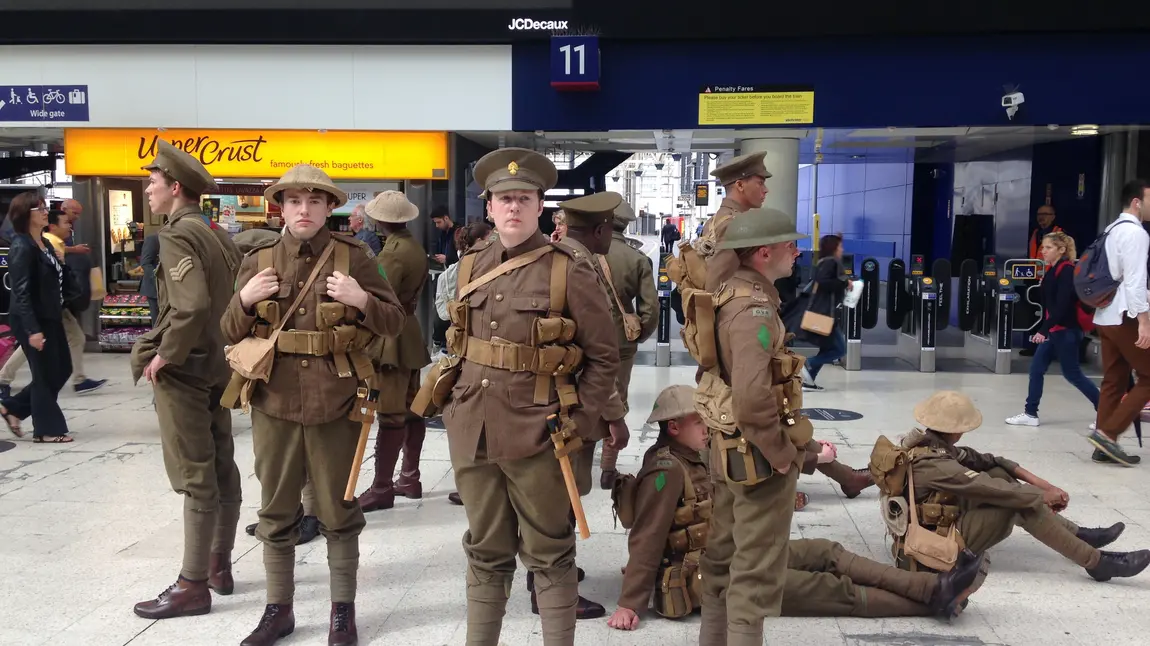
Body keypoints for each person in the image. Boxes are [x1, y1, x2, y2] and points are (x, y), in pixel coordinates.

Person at [608, 385, 984, 632]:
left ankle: (934, 586)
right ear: (673, 427)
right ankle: (932, 603)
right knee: (831, 589)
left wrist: (808, 457)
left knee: (825, 552)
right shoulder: (665, 471)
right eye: (698, 421)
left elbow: (750, 465)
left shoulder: (700, 453)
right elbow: (648, 537)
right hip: (707, 577)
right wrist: (630, 604)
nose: (707, 426)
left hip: (736, 553)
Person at [442, 148, 619, 645]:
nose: (513, 207)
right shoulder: (471, 266)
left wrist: (580, 425)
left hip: (541, 434)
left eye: (523, 198)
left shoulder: (569, 269)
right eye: (504, 199)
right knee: (484, 547)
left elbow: (605, 356)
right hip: (473, 432)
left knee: (549, 550)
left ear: (540, 205)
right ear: (490, 208)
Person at [222, 165, 405, 646]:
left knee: (339, 510)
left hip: (336, 401)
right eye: (294, 201)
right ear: (281, 207)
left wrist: (361, 298)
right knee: (276, 510)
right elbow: (225, 331)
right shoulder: (257, 257)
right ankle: (277, 609)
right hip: (274, 401)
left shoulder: (355, 257)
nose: (304, 210)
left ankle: (341, 611)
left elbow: (394, 322)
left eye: (314, 201)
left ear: (329, 208)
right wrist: (243, 300)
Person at [128, 141, 244, 620]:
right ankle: (219, 564)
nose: (148, 189)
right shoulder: (216, 233)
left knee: (195, 476)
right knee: (222, 466)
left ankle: (192, 584)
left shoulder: (177, 234)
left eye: (153, 182)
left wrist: (165, 356)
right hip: (220, 366)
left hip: (188, 370)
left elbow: (191, 304)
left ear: (175, 188)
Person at [696, 207, 808, 646]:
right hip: (756, 457)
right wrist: (782, 456)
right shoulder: (755, 310)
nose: (796, 252)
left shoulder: (731, 293)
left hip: (731, 448)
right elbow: (753, 397)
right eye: (789, 245)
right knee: (755, 571)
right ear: (764, 253)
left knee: (722, 556)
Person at [894, 390, 1150, 582]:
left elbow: (994, 462)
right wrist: (1041, 495)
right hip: (933, 543)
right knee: (1015, 503)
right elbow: (994, 490)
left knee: (997, 472)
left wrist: (1045, 485)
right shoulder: (935, 463)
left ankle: (1077, 534)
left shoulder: (934, 443)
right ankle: (1096, 562)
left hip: (941, 519)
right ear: (956, 430)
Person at [551, 193, 634, 620]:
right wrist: (613, 416)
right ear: (601, 230)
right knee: (563, 495)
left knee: (551, 492)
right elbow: (602, 351)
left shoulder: (551, 254)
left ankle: (550, 572)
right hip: (572, 402)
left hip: (541, 400)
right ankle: (549, 582)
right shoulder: (582, 266)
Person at [232, 226, 322, 547]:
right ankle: (281, 512)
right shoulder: (253, 276)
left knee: (305, 453)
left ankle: (311, 514)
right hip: (271, 373)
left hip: (308, 372)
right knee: (273, 456)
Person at [356, 191, 432, 511]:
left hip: (391, 337)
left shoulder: (393, 253)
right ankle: (409, 477)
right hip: (410, 332)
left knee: (389, 412)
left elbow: (377, 294)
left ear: (379, 220)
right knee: (412, 407)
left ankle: (382, 487)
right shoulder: (413, 246)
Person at [0, 210, 107, 399]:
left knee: (72, 339)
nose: (70, 226)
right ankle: (6, 384)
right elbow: (29, 286)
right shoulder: (40, 243)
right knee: (37, 344)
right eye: (66, 222)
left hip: (56, 305)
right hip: (48, 307)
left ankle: (78, 379)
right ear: (53, 226)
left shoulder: (46, 241)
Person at [0, 193, 77, 443]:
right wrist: (33, 330)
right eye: (39, 208)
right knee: (44, 373)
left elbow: (57, 279)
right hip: (31, 319)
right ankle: (47, 429)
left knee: (63, 368)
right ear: (26, 214)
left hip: (51, 315)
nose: (46, 212)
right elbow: (21, 292)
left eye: (45, 207)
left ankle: (13, 408)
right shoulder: (21, 246)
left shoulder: (43, 242)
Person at [1005, 231, 1099, 428]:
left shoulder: (1065, 271)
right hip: (1056, 330)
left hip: (1066, 331)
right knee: (1036, 369)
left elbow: (1062, 305)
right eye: (1043, 247)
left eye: (1048, 247)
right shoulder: (1052, 270)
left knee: (1072, 374)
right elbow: (1050, 306)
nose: (1043, 251)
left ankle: (1105, 411)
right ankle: (1031, 413)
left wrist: (1043, 330)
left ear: (1061, 250)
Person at [598, 199, 659, 489]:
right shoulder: (636, 259)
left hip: (577, 340)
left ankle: (576, 461)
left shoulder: (579, 254)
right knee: (616, 399)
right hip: (619, 341)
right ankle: (608, 469)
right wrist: (638, 334)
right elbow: (650, 309)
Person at [1089, 179, 1150, 466]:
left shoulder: (1111, 229)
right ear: (1137, 201)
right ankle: (1109, 434)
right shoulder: (1137, 234)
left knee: (1113, 380)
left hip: (1105, 313)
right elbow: (1136, 281)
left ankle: (1103, 446)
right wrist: (1144, 321)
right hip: (1125, 315)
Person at [433, 221, 492, 507]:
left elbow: (442, 313)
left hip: (457, 351)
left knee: (463, 420)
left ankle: (465, 481)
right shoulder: (488, 269)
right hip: (482, 352)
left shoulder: (448, 274)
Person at [701, 152, 771, 292]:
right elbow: (715, 285)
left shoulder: (715, 220)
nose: (766, 190)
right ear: (739, 185)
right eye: (760, 183)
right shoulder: (736, 225)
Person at [801, 234, 850, 392]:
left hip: (822, 312)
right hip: (825, 314)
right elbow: (824, 282)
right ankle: (809, 362)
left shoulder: (822, 262)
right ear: (833, 248)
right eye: (840, 246)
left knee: (827, 348)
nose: (842, 249)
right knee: (840, 349)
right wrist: (844, 282)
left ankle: (809, 381)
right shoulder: (830, 262)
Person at [140, 228, 162, 326]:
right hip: (155, 290)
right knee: (158, 322)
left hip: (171, 290)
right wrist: (160, 280)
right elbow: (145, 263)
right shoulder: (153, 239)